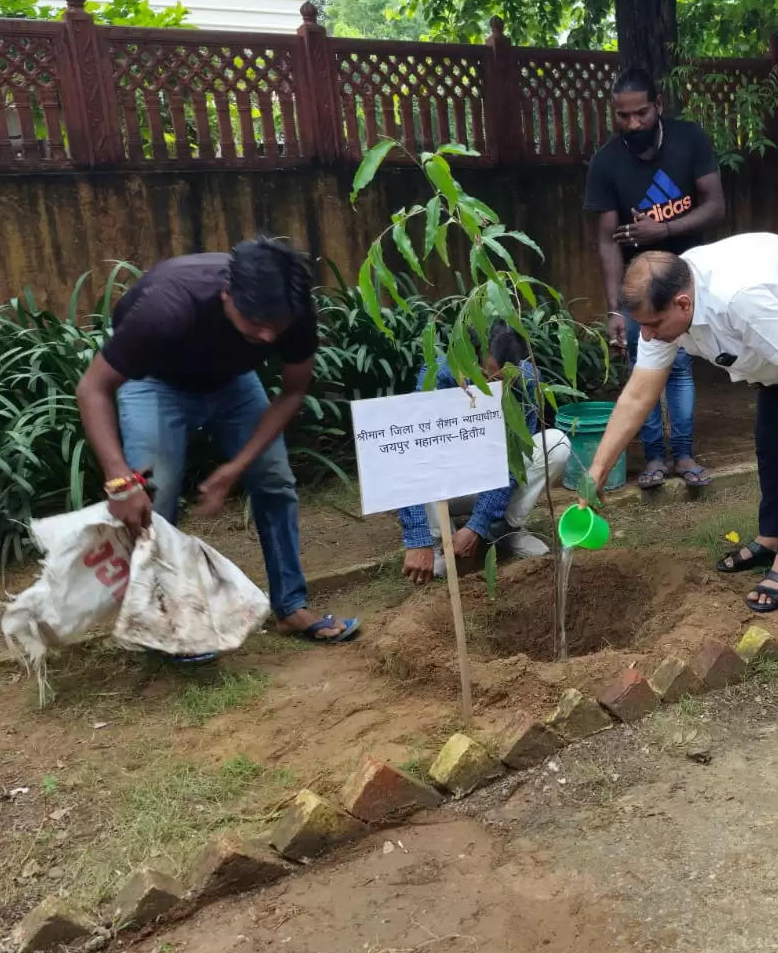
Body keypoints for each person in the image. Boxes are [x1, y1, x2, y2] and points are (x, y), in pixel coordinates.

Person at [75, 237, 360, 650]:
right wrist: (120, 480)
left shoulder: (293, 313)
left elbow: (292, 393)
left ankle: (291, 606)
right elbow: (92, 389)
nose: (266, 336)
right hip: (156, 382)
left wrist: (235, 467)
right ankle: (167, 630)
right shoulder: (168, 306)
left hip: (232, 384)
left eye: (275, 327)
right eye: (255, 322)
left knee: (275, 480)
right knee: (153, 500)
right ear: (227, 294)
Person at [583, 233, 778, 613]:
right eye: (642, 325)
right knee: (770, 440)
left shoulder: (737, 297)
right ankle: (772, 538)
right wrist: (598, 469)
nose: (648, 335)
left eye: (654, 324)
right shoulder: (665, 307)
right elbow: (639, 395)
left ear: (683, 303)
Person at [584, 67, 724, 492]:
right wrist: (614, 308)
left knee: (679, 368)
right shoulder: (606, 162)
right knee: (640, 372)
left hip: (689, 281)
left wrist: (661, 231)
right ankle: (655, 459)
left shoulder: (689, 140)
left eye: (641, 113)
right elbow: (608, 242)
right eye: (622, 116)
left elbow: (716, 206)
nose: (633, 124)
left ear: (658, 105)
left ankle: (682, 453)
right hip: (638, 289)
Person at [396, 321, 571, 582]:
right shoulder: (437, 378)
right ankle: (438, 539)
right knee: (425, 450)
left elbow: (511, 462)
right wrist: (417, 537)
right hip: (449, 484)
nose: (493, 387)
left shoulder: (525, 382)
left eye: (501, 380)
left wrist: (477, 525)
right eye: (484, 376)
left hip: (492, 478)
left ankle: (504, 529)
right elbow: (411, 456)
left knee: (557, 444)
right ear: (469, 361)